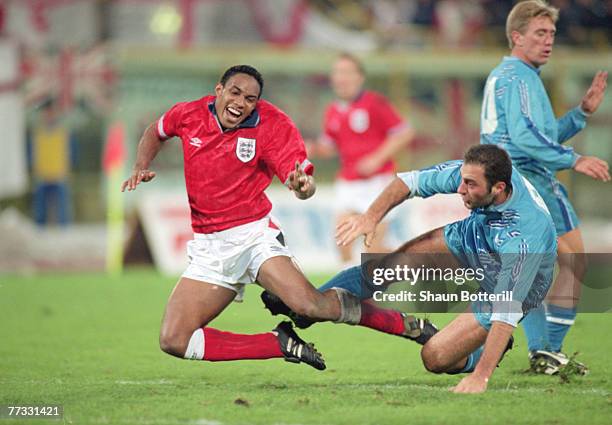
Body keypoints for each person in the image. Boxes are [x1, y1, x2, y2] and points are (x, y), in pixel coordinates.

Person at [121, 65, 364, 370]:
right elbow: (154, 132)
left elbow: (301, 178)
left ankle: (393, 319)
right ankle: (278, 343)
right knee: (174, 339)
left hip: (253, 236)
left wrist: (303, 186)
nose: (240, 103)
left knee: (308, 306)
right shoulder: (188, 114)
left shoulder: (272, 123)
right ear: (218, 90)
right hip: (210, 246)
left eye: (250, 99)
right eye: (235, 93)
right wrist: (140, 165)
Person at [262, 144, 558, 393]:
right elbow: (409, 182)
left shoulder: (524, 237)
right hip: (479, 233)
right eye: (463, 180)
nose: (460, 188)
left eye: (470, 185)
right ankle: (310, 303)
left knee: (435, 357)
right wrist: (370, 218)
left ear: (499, 188)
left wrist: (481, 375)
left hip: (512, 286)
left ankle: (491, 348)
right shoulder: (479, 171)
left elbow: (507, 310)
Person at [480, 0, 609, 374]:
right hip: (528, 181)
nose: (548, 41)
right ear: (516, 37)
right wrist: (575, 159)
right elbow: (522, 139)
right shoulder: (519, 77)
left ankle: (543, 351)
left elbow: (540, 134)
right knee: (571, 261)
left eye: (551, 33)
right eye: (539, 33)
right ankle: (546, 348)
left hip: (507, 182)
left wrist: (580, 114)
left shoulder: (511, 76)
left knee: (535, 268)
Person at [308, 53, 414, 266]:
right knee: (342, 241)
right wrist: (311, 148)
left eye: (347, 72)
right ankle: (348, 295)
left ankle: (410, 260)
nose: (341, 78)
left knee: (372, 250)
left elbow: (404, 132)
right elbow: (329, 147)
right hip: (349, 183)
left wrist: (377, 158)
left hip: (378, 184)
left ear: (359, 78)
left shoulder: (374, 103)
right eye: (337, 72)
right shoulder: (333, 111)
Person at [28, 97, 76, 227]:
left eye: (51, 112)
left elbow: (69, 153)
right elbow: (33, 154)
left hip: (59, 175)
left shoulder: (63, 132)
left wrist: (66, 170)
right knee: (40, 210)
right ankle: (40, 230)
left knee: (63, 210)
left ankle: (64, 232)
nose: (49, 115)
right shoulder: (37, 133)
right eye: (46, 112)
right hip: (42, 175)